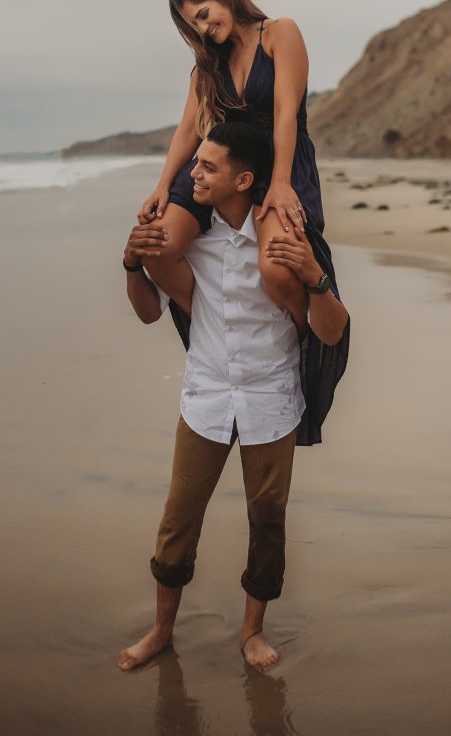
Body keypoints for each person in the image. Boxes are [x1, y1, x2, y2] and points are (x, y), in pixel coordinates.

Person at [118, 123, 349, 674]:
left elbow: (333, 331)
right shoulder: (188, 243)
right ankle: (161, 632)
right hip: (206, 397)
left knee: (267, 521)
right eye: (194, 163)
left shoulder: (284, 243)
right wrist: (131, 263)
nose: (190, 175)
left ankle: (252, 632)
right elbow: (150, 311)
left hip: (272, 397)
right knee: (178, 521)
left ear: (243, 179)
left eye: (206, 167)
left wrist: (316, 277)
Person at [138, 0, 327, 335]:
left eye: (205, 14)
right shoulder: (207, 64)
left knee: (277, 270)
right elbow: (188, 129)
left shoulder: (279, 32)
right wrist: (162, 186)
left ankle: (299, 340)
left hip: (279, 160)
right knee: (157, 249)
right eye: (194, 24)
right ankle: (217, 330)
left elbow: (286, 113)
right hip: (222, 163)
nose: (205, 29)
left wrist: (281, 181)